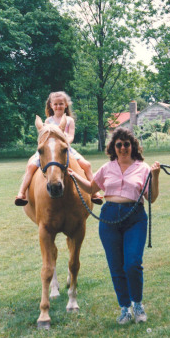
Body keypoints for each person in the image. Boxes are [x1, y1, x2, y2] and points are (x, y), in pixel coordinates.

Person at [68, 127, 161, 324]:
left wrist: (156, 176)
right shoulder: (107, 168)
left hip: (134, 218)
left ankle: (137, 304)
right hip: (109, 219)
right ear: (114, 147)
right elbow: (92, 187)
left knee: (133, 263)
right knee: (116, 266)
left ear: (132, 146)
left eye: (126, 144)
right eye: (119, 145)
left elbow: (150, 198)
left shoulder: (143, 168)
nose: (123, 148)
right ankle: (124, 308)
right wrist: (74, 176)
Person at [15, 91, 103, 206]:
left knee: (87, 165)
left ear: (66, 105)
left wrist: (63, 142)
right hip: (49, 149)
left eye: (61, 103)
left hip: (65, 148)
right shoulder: (48, 121)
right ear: (51, 105)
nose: (58, 106)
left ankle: (94, 192)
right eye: (55, 104)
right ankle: (22, 193)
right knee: (31, 166)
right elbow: (45, 137)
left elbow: (71, 136)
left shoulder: (69, 120)